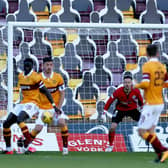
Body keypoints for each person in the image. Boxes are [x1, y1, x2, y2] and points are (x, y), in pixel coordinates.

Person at [2, 58, 60, 154]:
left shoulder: (36, 77)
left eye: (29, 66)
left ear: (32, 66)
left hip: (33, 103)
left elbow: (46, 91)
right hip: (23, 102)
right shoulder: (20, 76)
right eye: (25, 65)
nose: (27, 67)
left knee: (20, 119)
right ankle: (8, 149)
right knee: (6, 123)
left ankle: (29, 145)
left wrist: (53, 105)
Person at [135, 44, 168, 163]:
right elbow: (167, 83)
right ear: (157, 53)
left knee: (141, 132)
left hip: (151, 104)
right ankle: (160, 155)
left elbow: (146, 84)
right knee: (151, 131)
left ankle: (163, 150)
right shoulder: (162, 67)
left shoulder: (147, 66)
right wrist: (157, 86)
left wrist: (136, 85)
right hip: (160, 102)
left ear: (147, 54)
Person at [29, 57, 69, 155]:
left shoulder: (58, 77)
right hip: (42, 108)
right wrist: (36, 108)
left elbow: (62, 93)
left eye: (51, 65)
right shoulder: (38, 78)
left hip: (54, 108)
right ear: (43, 66)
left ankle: (65, 148)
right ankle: (26, 145)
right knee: (38, 128)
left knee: (62, 122)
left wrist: (58, 108)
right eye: (47, 65)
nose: (49, 67)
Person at [101, 71, 143, 152]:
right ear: (123, 83)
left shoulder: (136, 91)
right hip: (120, 110)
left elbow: (141, 101)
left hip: (132, 109)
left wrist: (142, 109)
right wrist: (104, 112)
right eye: (125, 83)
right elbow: (110, 101)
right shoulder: (118, 91)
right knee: (112, 127)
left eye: (129, 82)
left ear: (131, 83)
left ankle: (151, 142)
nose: (127, 84)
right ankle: (110, 146)